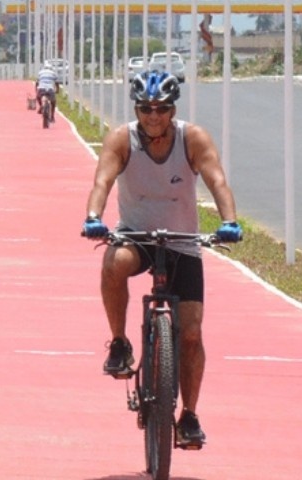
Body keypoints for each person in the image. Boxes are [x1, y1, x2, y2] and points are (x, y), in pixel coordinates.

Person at [80, 70, 242, 449]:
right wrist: (93, 218)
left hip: (182, 242)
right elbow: (102, 181)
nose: (153, 116)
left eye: (161, 109)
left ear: (173, 110)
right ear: (136, 109)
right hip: (137, 234)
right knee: (113, 262)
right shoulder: (122, 138)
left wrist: (229, 221)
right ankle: (120, 342)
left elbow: (217, 179)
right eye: (146, 109)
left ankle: (189, 416)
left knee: (190, 334)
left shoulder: (193, 138)